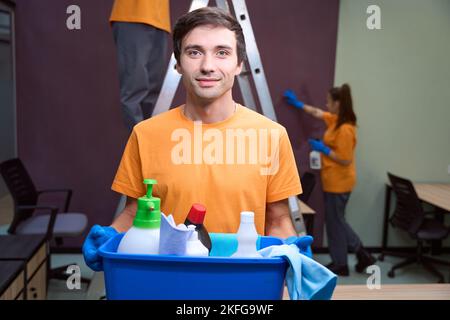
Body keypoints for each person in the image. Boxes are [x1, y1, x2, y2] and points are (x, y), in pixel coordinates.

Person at [84, 7, 311, 272]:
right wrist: (111, 236)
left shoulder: (272, 136)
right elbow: (136, 213)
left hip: (241, 284)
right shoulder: (145, 135)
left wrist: (290, 247)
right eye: (194, 52)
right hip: (167, 282)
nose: (207, 66)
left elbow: (279, 217)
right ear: (178, 63)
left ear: (239, 64)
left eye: (222, 53)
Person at [284, 85, 376, 276]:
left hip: (340, 183)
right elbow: (318, 113)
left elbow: (345, 158)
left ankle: (353, 257)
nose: (326, 104)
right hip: (332, 180)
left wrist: (324, 149)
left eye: (329, 101)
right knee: (336, 221)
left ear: (338, 103)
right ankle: (353, 258)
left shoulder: (345, 129)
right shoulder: (335, 120)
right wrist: (298, 104)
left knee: (336, 223)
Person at [110, 0, 171, 131]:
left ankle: (151, 142)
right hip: (133, 15)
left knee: (154, 94)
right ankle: (141, 145)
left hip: (160, 20)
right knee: (134, 91)